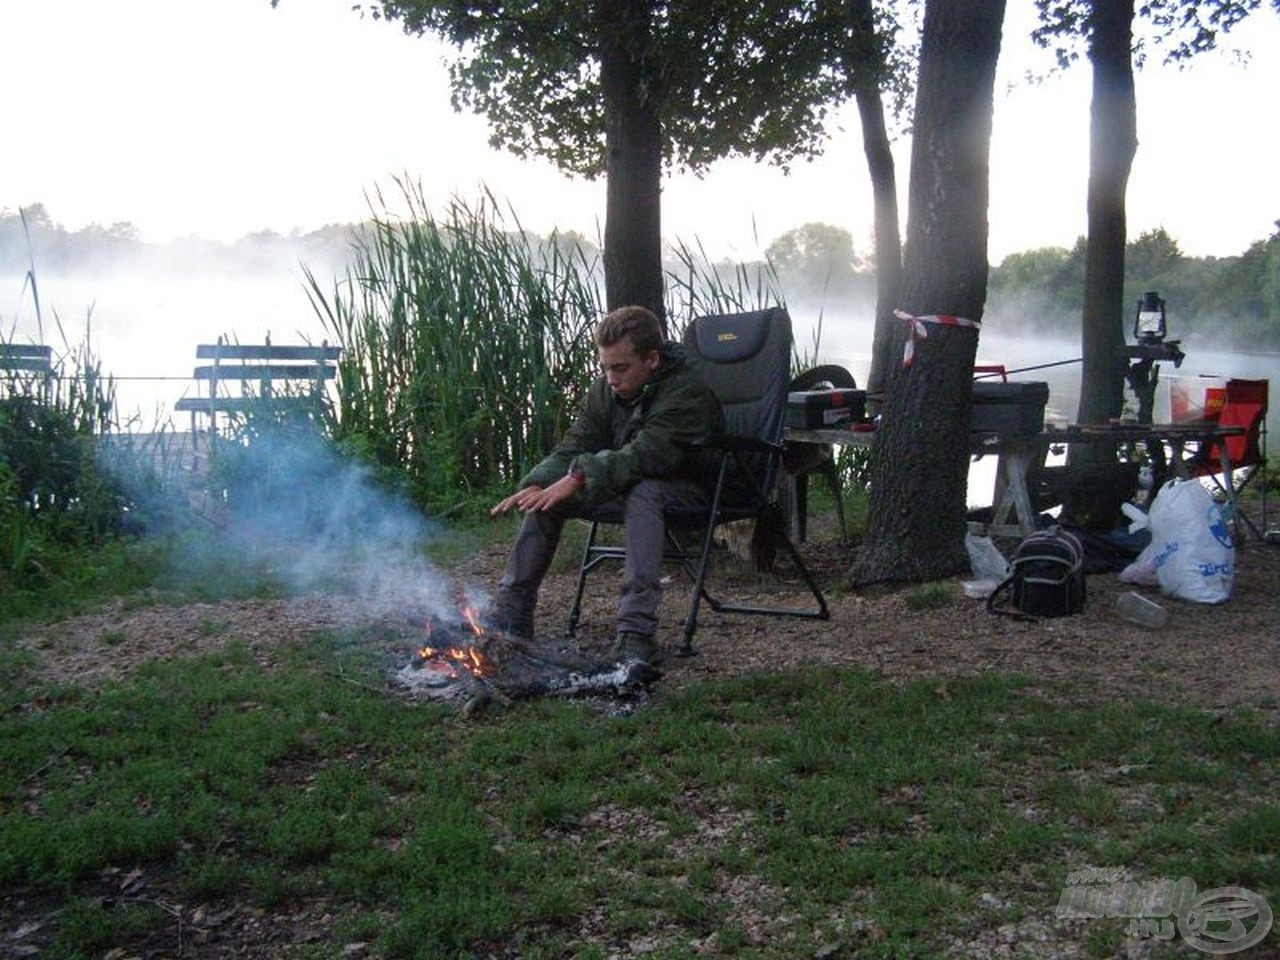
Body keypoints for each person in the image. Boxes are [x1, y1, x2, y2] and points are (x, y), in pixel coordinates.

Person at [489, 305, 724, 664]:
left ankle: (635, 632)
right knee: (547, 498)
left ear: (653, 360)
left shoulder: (686, 393)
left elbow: (649, 455)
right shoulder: (606, 390)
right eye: (605, 367)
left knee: (644, 490)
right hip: (627, 482)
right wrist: (539, 482)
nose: (611, 378)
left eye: (620, 368)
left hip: (694, 488)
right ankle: (511, 612)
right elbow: (576, 443)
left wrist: (580, 476)